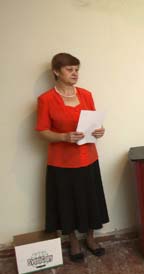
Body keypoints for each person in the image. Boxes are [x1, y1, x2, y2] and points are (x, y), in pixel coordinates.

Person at [36, 53, 109, 262]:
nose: (75, 73)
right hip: (62, 162)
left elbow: (94, 122)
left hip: (88, 157)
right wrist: (63, 136)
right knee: (67, 202)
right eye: (69, 69)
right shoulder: (46, 99)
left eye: (77, 69)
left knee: (90, 199)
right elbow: (41, 131)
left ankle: (91, 238)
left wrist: (99, 131)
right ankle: (73, 240)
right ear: (56, 72)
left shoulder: (86, 95)